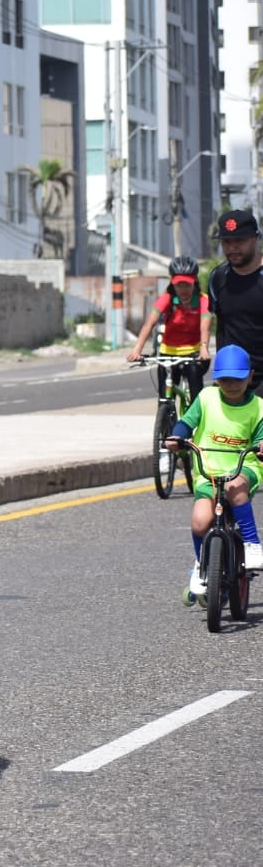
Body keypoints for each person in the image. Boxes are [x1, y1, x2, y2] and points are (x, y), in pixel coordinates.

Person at [165, 343, 263, 603]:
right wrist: (178, 436)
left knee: (234, 490)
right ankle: (202, 566)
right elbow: (187, 422)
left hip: (244, 468)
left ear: (250, 376)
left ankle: (252, 544)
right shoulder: (207, 398)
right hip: (209, 471)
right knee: (199, 521)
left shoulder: (258, 407)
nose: (232, 385)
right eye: (225, 380)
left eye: (238, 379)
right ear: (216, 379)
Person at [127, 255, 210, 399]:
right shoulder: (167, 298)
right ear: (172, 283)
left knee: (197, 396)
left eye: (187, 285)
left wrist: (203, 348)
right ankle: (164, 417)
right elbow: (149, 323)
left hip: (194, 353)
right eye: (179, 285)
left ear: (194, 282)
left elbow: (205, 327)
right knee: (165, 397)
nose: (183, 289)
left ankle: (197, 418)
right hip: (168, 353)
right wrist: (137, 349)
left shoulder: (203, 300)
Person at [203, 209, 263, 394]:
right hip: (232, 379)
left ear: (255, 238)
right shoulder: (218, 277)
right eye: (227, 242)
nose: (232, 247)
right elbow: (221, 326)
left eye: (240, 241)